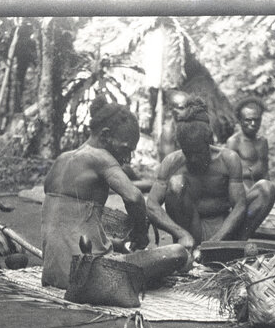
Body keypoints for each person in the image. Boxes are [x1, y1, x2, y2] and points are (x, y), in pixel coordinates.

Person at [40, 97, 191, 290]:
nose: (127, 158)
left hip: (53, 274)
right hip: (87, 276)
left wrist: (113, 243)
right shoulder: (100, 158)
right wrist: (140, 232)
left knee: (121, 249)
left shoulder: (62, 159)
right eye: (126, 149)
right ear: (105, 136)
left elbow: (65, 229)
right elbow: (134, 197)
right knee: (178, 253)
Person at [146, 97, 275, 250]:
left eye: (198, 152)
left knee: (265, 189)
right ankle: (193, 248)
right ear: (181, 145)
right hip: (192, 229)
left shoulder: (228, 159)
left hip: (226, 227)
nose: (193, 158)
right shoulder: (172, 162)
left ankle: (234, 247)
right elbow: (151, 204)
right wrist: (181, 234)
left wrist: (214, 242)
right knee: (175, 184)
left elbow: (239, 206)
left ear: (208, 141)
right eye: (188, 153)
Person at [225, 97, 270, 188]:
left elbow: (265, 172)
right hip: (242, 191)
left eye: (257, 120)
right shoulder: (234, 142)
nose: (253, 123)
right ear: (240, 120)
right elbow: (228, 175)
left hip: (263, 189)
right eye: (248, 120)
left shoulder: (263, 142)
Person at [156, 89, 193, 161]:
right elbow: (168, 160)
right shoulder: (168, 130)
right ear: (173, 110)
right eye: (182, 108)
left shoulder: (195, 124)